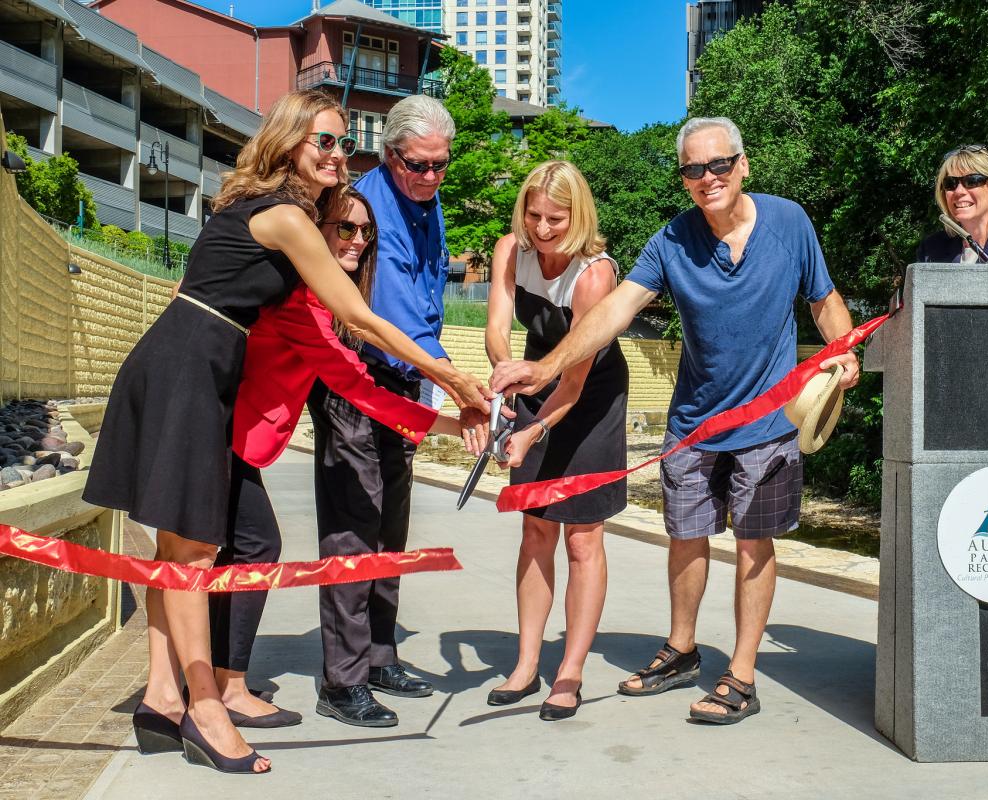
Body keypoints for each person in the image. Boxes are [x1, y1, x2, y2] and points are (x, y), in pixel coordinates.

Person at [82, 89, 487, 775]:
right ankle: (206, 709)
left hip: (193, 363)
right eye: (322, 141)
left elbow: (345, 364)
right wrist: (453, 380)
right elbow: (362, 320)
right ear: (290, 142)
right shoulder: (284, 218)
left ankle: (160, 696)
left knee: (181, 546)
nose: (337, 154)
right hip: (191, 365)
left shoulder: (264, 216)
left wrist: (444, 417)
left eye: (341, 143)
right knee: (197, 550)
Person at [491, 117, 861, 726]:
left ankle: (741, 674)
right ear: (683, 177)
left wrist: (843, 349)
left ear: (742, 165)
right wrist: (544, 367)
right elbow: (613, 311)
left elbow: (823, 299)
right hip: (693, 422)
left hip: (769, 422)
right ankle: (682, 650)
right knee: (685, 539)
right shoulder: (671, 241)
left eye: (719, 165)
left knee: (753, 543)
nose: (707, 178)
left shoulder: (790, 222)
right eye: (694, 169)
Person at [209, 187, 488, 731]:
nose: (358, 240)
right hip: (216, 427)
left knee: (241, 550)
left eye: (366, 232)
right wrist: (454, 395)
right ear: (315, 234)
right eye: (345, 229)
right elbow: (361, 386)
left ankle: (223, 680)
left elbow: (371, 389)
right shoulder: (308, 304)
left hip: (241, 437)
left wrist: (455, 424)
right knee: (252, 549)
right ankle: (242, 685)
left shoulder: (322, 299)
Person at [307, 94, 459, 723]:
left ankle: (378, 653)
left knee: (390, 520)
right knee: (353, 520)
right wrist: (452, 380)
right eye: (416, 165)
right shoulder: (365, 206)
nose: (429, 177)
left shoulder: (430, 203)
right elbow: (388, 312)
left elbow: (429, 300)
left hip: (402, 382)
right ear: (390, 154)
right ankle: (341, 680)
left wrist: (429, 382)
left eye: (440, 165)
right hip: (354, 376)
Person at [482, 161, 627, 721]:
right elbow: (498, 327)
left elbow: (573, 378)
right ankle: (525, 664)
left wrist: (534, 428)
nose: (542, 230)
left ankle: (570, 671)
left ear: (579, 216)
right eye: (534, 215)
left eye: (556, 219)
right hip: (533, 380)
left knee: (582, 538)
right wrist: (503, 375)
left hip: (588, 397)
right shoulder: (508, 250)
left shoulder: (595, 276)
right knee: (535, 528)